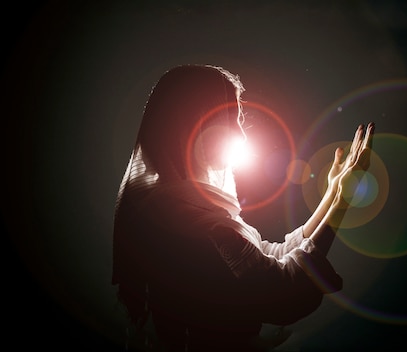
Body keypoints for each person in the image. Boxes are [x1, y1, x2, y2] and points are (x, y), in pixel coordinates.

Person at [112, 64, 374, 351]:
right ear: (195, 122)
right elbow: (282, 292)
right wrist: (341, 201)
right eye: (232, 119)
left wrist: (334, 192)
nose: (242, 134)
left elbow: (263, 257)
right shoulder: (186, 218)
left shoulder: (175, 201)